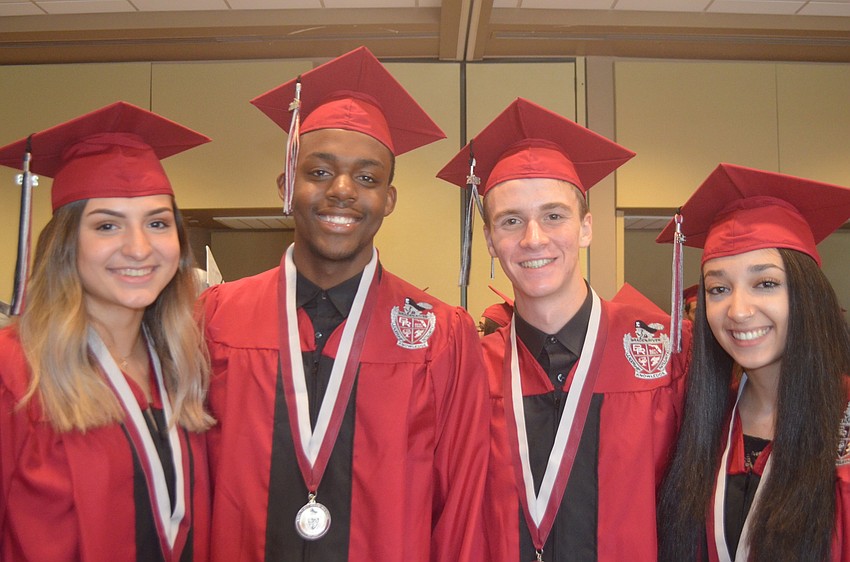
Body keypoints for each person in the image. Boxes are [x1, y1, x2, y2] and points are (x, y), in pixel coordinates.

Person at [201, 46, 490, 561]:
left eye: (366, 178)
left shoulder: (442, 335)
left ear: (389, 200)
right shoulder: (216, 318)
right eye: (318, 172)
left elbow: (461, 510)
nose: (342, 191)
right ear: (287, 186)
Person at [437, 98, 692, 561]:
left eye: (554, 216)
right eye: (511, 221)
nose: (534, 238)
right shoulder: (470, 369)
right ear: (491, 242)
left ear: (586, 228)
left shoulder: (662, 356)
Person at [0, 101, 214, 561]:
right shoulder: (14, 373)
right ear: (65, 244)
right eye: (107, 225)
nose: (138, 249)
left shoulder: (186, 366)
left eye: (157, 223)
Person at [656, 163, 850, 562]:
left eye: (765, 283)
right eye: (719, 288)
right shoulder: (703, 420)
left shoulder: (844, 420)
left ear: (806, 292)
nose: (738, 311)